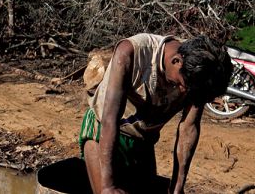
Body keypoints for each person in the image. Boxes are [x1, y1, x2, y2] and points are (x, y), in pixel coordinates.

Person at [78, 33, 232, 194]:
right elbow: (110, 119)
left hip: (143, 141)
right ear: (176, 61)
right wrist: (107, 186)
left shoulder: (201, 73)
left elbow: (189, 128)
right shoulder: (132, 53)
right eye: (181, 85)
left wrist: (177, 187)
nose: (183, 92)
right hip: (102, 132)